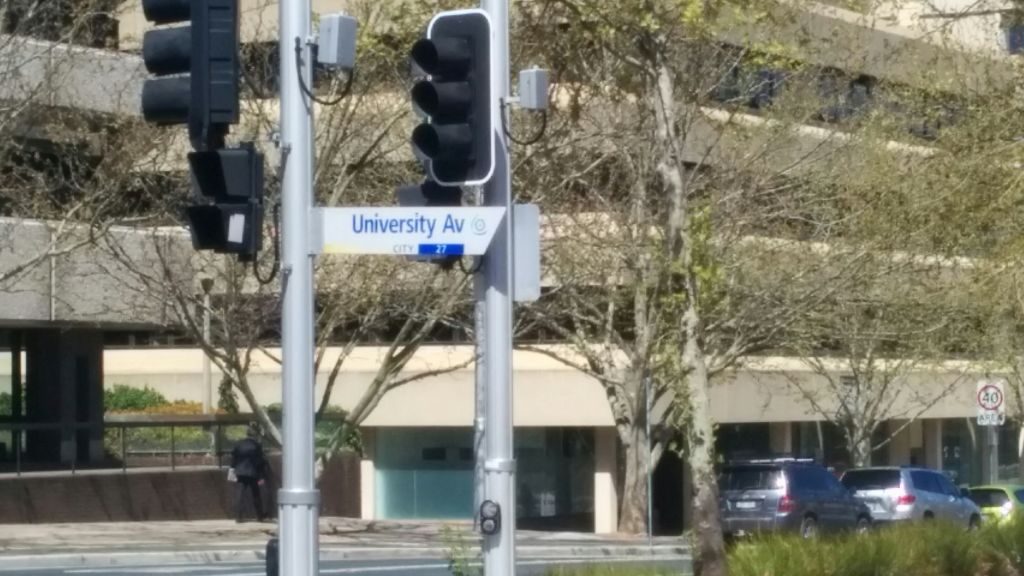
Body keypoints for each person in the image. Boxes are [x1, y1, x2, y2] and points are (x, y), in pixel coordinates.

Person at [230, 423, 270, 522]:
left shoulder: (239, 444)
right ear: (254, 435)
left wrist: (234, 468)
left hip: (240, 472)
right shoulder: (256, 445)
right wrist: (261, 474)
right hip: (253, 473)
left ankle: (238, 517)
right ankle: (260, 516)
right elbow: (259, 460)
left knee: (239, 494)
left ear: (247, 434)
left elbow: (234, 457)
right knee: (256, 494)